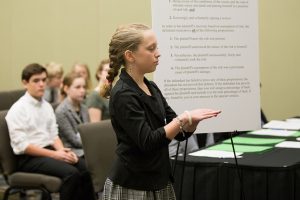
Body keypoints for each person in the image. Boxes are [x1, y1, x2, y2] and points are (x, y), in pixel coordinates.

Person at [100, 23, 221, 200]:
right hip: (134, 184)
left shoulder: (151, 87)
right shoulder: (123, 94)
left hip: (158, 179)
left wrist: (190, 124)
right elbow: (148, 141)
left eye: (157, 47)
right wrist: (181, 120)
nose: (158, 53)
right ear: (130, 56)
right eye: (151, 48)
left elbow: (176, 133)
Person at [5, 63, 95, 200]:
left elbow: (53, 135)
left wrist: (63, 151)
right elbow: (22, 146)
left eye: (43, 80)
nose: (41, 84)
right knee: (71, 174)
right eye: (36, 80)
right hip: (28, 158)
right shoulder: (18, 109)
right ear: (25, 83)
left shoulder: (46, 106)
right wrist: (55, 154)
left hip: (49, 152)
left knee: (87, 169)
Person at [55, 72, 89, 157]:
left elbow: (89, 131)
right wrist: (93, 142)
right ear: (66, 89)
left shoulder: (84, 108)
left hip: (87, 148)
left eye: (84, 87)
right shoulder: (61, 111)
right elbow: (74, 141)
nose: (82, 90)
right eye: (78, 87)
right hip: (74, 152)